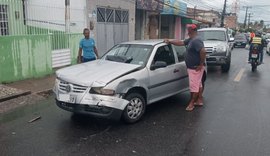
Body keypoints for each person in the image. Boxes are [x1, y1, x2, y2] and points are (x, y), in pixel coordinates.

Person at [164, 24, 206, 111]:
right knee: (198, 84)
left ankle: (191, 103)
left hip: (195, 68)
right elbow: (181, 42)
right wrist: (170, 41)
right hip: (194, 67)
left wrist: (201, 64)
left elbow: (203, 51)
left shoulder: (196, 40)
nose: (187, 30)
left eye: (189, 29)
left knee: (193, 87)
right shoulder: (191, 39)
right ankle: (199, 100)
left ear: (193, 30)